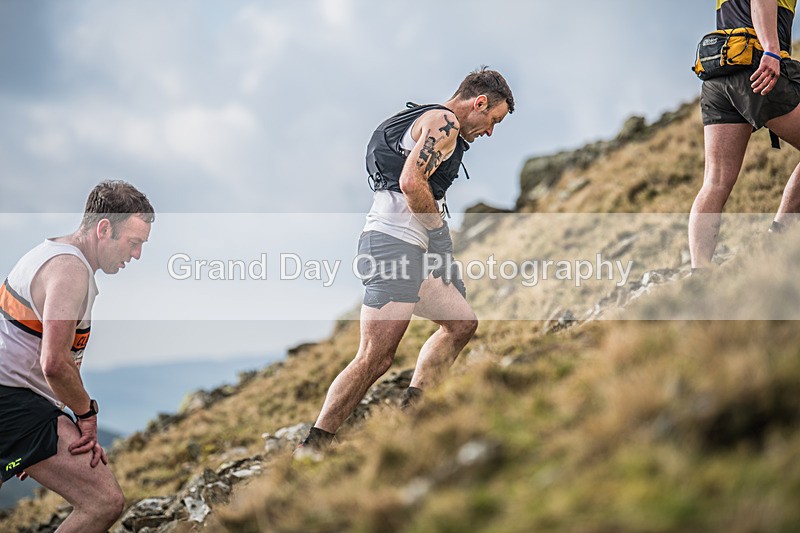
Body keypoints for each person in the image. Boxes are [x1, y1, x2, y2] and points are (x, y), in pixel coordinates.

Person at [298, 67, 514, 452]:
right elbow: (412, 183)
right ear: (479, 103)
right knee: (374, 359)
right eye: (493, 120)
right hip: (392, 249)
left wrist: (437, 253)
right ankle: (312, 448)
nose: (490, 132)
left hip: (405, 250)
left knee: (462, 323)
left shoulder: (422, 118)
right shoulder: (444, 121)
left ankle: (416, 419)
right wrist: (441, 239)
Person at [0, 180, 154, 532]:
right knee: (103, 501)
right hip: (12, 400)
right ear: (103, 229)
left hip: (17, 404)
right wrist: (86, 415)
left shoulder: (52, 256)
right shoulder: (69, 270)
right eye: (134, 243)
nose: (136, 255)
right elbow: (54, 362)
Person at [689, 0, 800, 269]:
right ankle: (779, 236)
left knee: (715, 181)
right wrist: (772, 51)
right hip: (757, 65)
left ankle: (699, 273)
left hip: (719, 72)